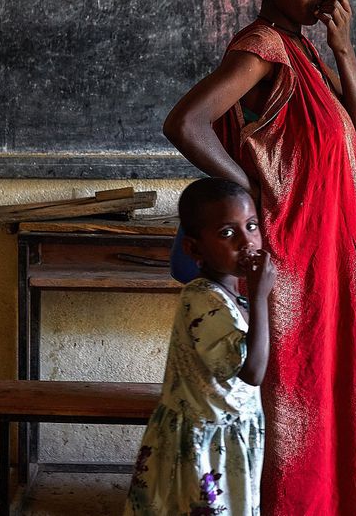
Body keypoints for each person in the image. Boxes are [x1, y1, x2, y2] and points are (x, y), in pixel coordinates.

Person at [163, 0, 356, 516]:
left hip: (325, 255)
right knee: (291, 399)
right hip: (289, 257)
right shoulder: (261, 49)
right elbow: (185, 122)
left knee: (322, 387)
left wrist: (344, 49)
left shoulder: (305, 52)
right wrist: (248, 192)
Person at [124, 177, 276, 516]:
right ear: (194, 249)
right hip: (204, 443)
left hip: (230, 432)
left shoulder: (231, 294)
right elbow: (252, 373)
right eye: (227, 233)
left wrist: (253, 296)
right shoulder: (202, 299)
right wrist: (261, 295)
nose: (247, 241)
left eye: (251, 226)